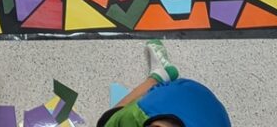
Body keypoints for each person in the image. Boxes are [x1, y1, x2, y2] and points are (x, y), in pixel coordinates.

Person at [96, 40, 231, 127]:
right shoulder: (141, 115)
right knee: (107, 122)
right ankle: (158, 76)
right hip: (165, 101)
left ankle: (161, 75)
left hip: (189, 92)